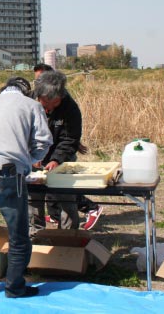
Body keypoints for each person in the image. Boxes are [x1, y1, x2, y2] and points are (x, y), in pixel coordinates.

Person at [0, 76, 52, 298]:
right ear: (27, 92)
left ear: (4, 88)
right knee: (18, 234)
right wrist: (28, 161)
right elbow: (44, 141)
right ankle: (14, 287)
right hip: (8, 172)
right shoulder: (31, 105)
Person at [31, 68, 103, 230]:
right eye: (45, 103)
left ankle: (68, 237)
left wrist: (57, 159)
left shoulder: (70, 108)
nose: (49, 107)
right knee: (34, 199)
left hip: (61, 158)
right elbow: (22, 133)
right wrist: (33, 155)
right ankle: (35, 236)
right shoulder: (29, 103)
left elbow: (70, 138)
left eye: (54, 103)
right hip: (34, 158)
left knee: (66, 198)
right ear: (39, 96)